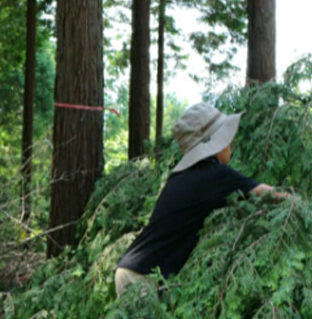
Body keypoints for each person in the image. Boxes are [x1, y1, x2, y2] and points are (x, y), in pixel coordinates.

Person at [115, 103, 288, 296]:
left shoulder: (183, 175)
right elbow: (265, 192)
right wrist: (297, 201)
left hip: (133, 269)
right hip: (142, 277)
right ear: (213, 144)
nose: (230, 144)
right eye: (226, 139)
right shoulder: (215, 174)